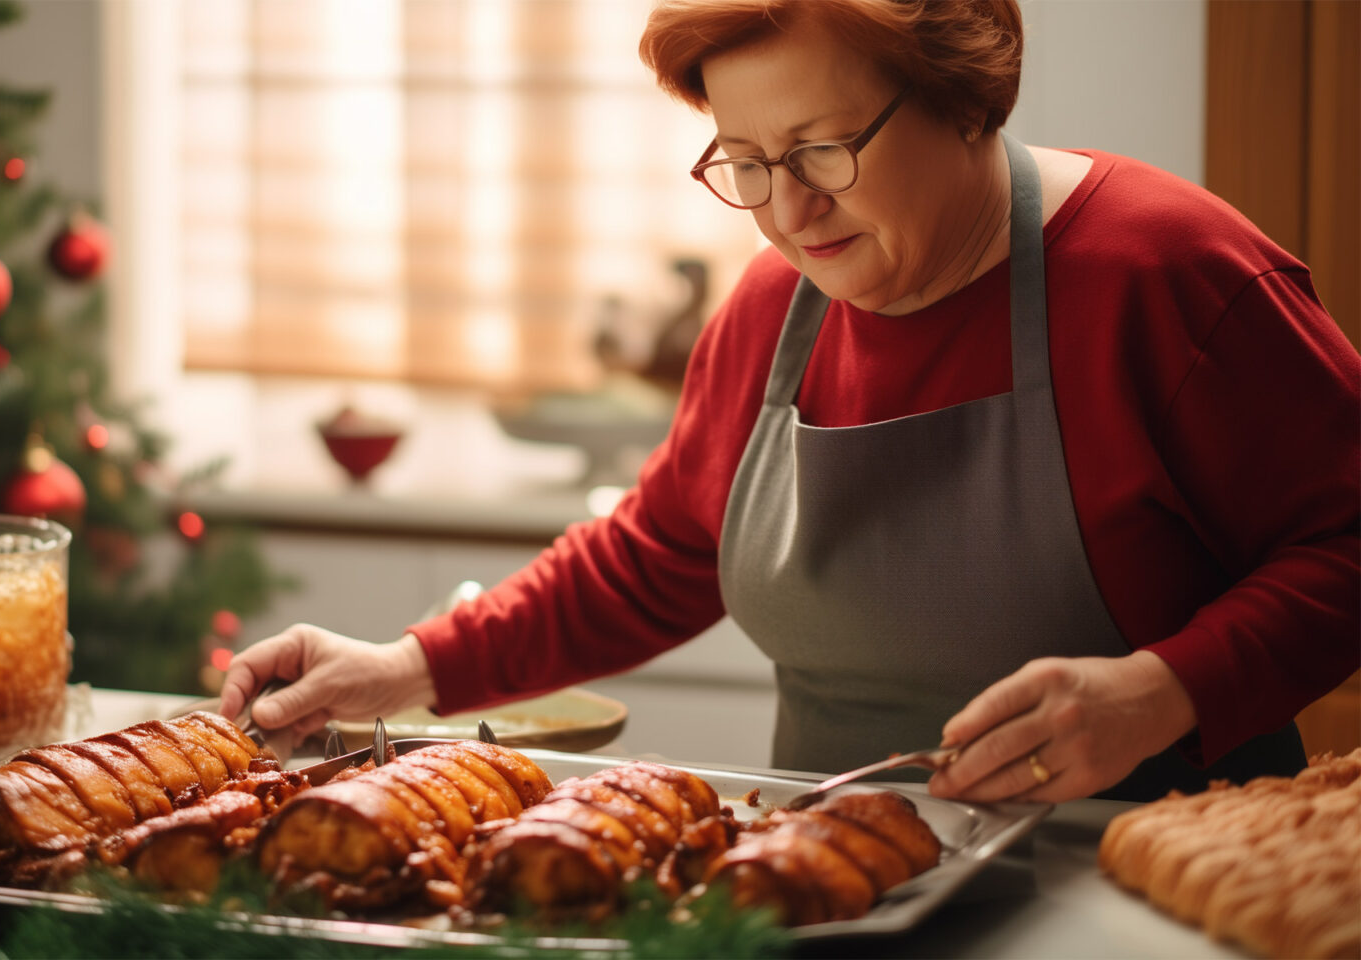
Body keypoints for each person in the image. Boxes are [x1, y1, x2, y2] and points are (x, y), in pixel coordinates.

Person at [221, 0, 1360, 804]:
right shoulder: (778, 303)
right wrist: (403, 668)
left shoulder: (1164, 274)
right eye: (745, 161)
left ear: (966, 98)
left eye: (821, 149)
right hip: (843, 879)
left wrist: (1163, 694)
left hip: (1145, 874)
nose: (786, 212)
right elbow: (660, 553)